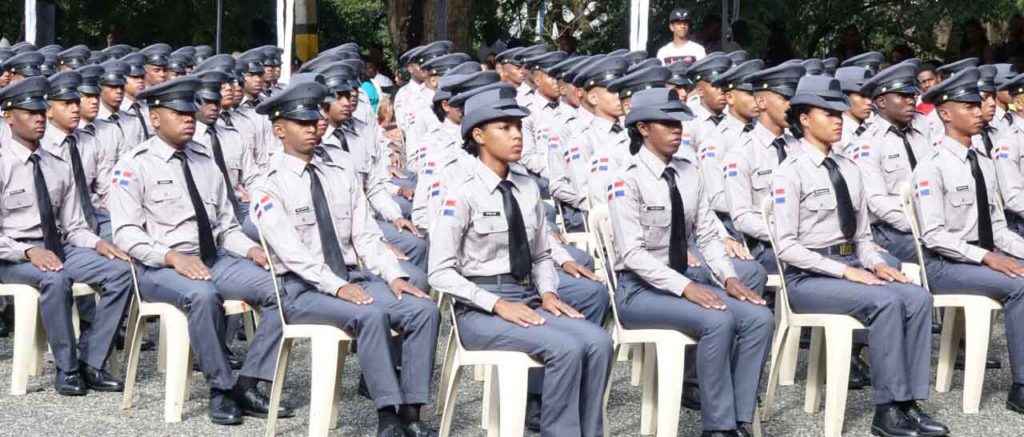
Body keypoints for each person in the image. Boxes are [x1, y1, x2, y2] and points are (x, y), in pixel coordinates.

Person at [251, 79, 439, 437]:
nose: (312, 129)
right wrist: (338, 288)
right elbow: (293, 256)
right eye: (301, 123)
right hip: (302, 289)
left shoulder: (340, 171)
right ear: (279, 129)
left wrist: (393, 275)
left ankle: (412, 413)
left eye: (314, 120)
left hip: (353, 278)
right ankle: (387, 416)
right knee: (370, 315)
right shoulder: (268, 185)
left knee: (423, 308)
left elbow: (365, 236)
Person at [428, 85, 613, 437]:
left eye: (518, 126)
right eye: (505, 127)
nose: (516, 135)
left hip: (527, 299)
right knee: (566, 348)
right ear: (478, 135)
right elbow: (439, 272)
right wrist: (496, 304)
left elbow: (542, 254)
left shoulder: (527, 188)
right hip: (480, 311)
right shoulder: (461, 190)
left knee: (598, 342)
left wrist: (548, 294)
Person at [109, 76, 292, 425]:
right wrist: (171, 257)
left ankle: (249, 382)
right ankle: (221, 389)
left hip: (213, 259)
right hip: (159, 268)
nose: (188, 118)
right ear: (155, 118)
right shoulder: (134, 165)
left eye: (190, 111)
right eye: (178, 113)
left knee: (280, 287)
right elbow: (126, 234)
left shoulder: (205, 160)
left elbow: (226, 227)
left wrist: (252, 250)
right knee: (204, 296)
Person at [773, 74, 947, 436]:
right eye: (828, 113)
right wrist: (843, 272)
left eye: (840, 112)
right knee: (885, 302)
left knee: (916, 297)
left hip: (852, 263)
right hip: (808, 277)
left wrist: (877, 263)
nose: (838, 119)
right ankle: (886, 411)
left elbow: (864, 236)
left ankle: (908, 402)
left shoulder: (849, 167)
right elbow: (786, 246)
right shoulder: (789, 172)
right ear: (804, 118)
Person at [608, 87, 772, 437]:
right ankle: (718, 427)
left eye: (679, 121)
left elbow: (709, 235)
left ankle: (740, 419)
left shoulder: (688, 172)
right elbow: (632, 255)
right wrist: (687, 288)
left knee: (759, 316)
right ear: (643, 128)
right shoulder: (627, 179)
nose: (677, 129)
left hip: (682, 282)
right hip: (639, 292)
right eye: (666, 123)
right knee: (717, 321)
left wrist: (728, 278)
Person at [0, 76, 133, 395]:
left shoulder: (55, 164)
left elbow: (73, 225)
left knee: (121, 272)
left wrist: (99, 243)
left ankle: (92, 359)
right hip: (12, 255)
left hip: (58, 248)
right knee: (55, 279)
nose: (38, 119)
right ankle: (68, 369)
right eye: (29, 113)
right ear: (8, 116)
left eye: (41, 112)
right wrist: (27, 253)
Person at [913, 69, 1024, 420]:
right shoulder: (931, 167)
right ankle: (1021, 387)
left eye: (979, 105)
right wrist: (986, 256)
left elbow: (998, 229)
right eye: (969, 106)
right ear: (945, 113)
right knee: (1020, 286)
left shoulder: (984, 163)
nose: (979, 111)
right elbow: (933, 235)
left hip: (979, 257)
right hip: (944, 264)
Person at [723, 62, 805, 275]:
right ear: (761, 101)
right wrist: (785, 234)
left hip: (809, 238)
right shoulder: (741, 153)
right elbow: (741, 216)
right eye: (785, 98)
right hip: (767, 245)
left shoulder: (799, 146)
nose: (792, 105)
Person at [847, 61, 927, 263]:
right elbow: (877, 202)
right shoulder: (867, 144)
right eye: (903, 96)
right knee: (938, 252)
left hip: (932, 222)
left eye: (912, 96)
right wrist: (922, 225)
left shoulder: (922, 132)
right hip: (891, 230)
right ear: (882, 102)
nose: (911, 102)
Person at [834, 66, 873, 151]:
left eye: (869, 96)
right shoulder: (839, 134)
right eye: (862, 96)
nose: (869, 102)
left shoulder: (872, 126)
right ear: (845, 98)